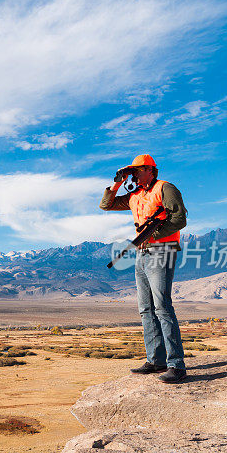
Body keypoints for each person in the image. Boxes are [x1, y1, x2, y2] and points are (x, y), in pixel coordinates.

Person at [99, 154, 188, 383]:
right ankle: (156, 360)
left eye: (138, 170)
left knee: (162, 307)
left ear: (150, 170)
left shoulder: (164, 188)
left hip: (161, 251)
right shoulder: (134, 195)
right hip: (142, 253)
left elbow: (179, 219)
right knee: (146, 309)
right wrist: (117, 182)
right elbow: (105, 205)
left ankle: (176, 365)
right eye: (133, 171)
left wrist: (153, 234)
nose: (135, 174)